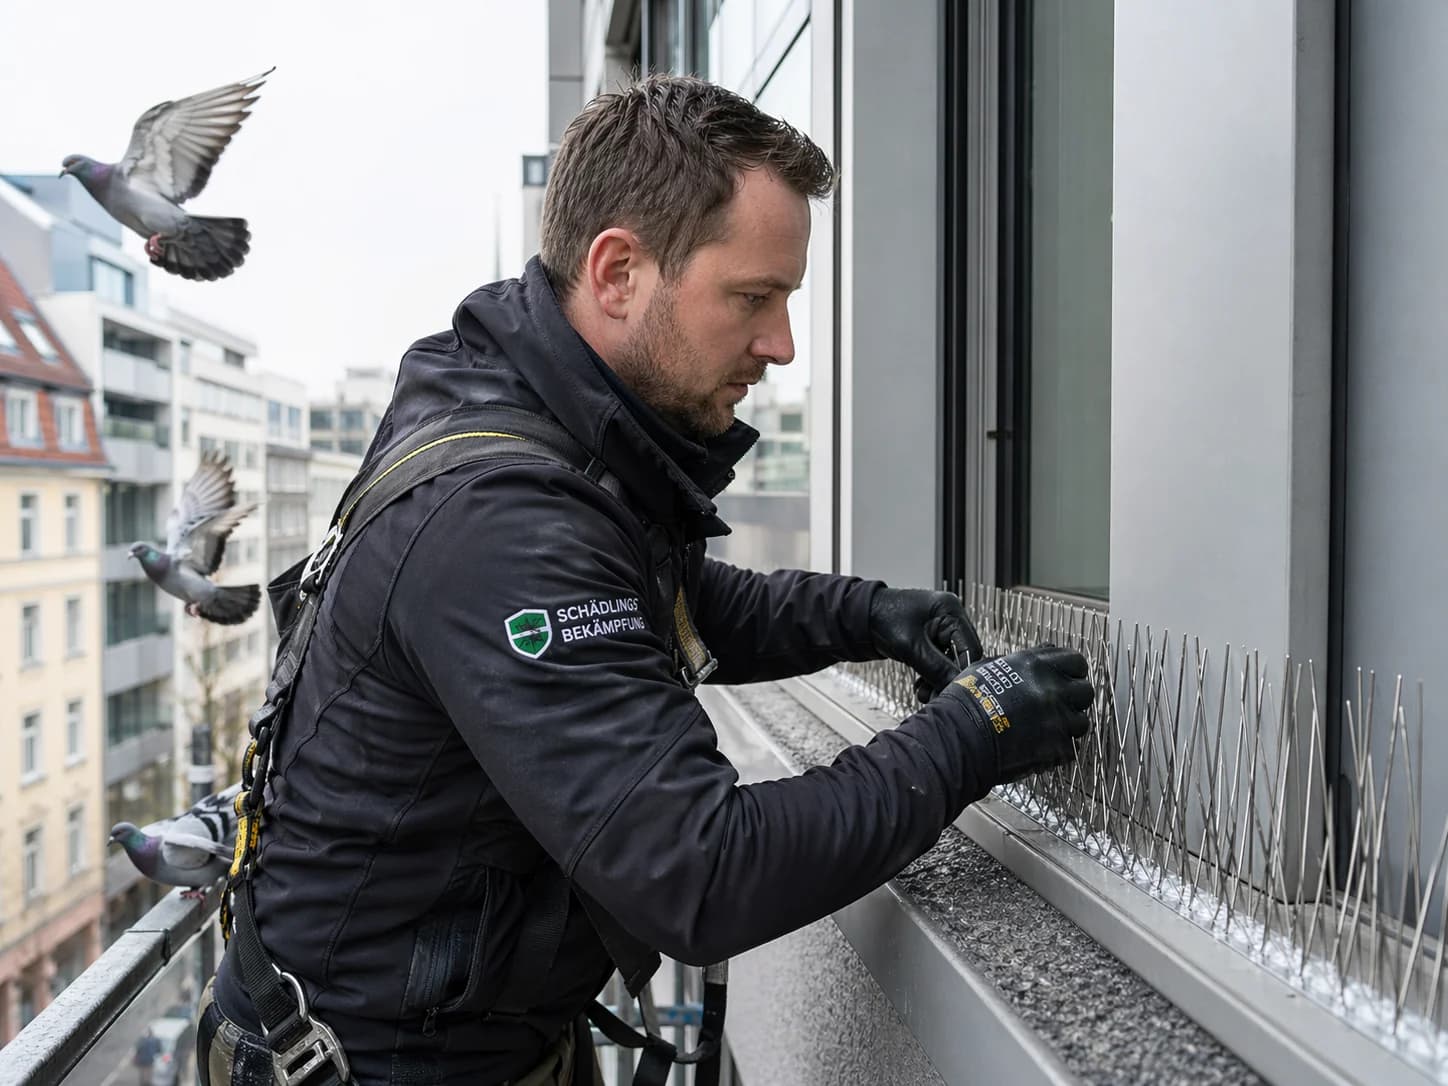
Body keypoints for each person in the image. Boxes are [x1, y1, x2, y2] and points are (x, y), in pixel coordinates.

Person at [197, 74, 1094, 1085]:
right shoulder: (503, 522)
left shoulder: (538, 423)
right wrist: (973, 733)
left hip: (470, 1027)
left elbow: (657, 603)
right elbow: (702, 872)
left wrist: (869, 617)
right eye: (752, 299)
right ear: (617, 271)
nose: (781, 346)